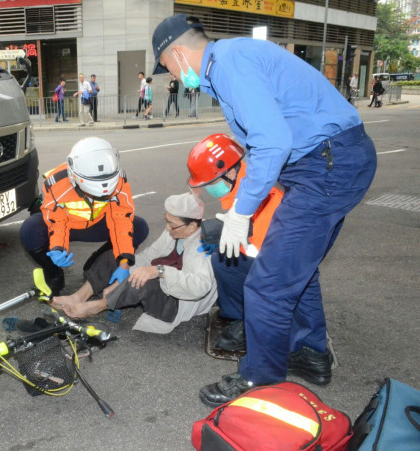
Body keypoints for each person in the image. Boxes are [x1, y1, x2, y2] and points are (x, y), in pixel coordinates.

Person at [151, 14, 377, 407]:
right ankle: (310, 353)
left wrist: (241, 212)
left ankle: (260, 378)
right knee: (295, 270)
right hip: (330, 163)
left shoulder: (230, 64)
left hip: (326, 166)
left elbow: (272, 142)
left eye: (166, 65)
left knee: (267, 284)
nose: (169, 73)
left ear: (178, 54)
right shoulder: (230, 64)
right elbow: (260, 147)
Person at [54, 192, 217, 334]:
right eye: (166, 220)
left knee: (147, 279)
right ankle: (79, 296)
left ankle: (99, 306)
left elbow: (201, 286)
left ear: (192, 226)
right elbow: (150, 255)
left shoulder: (205, 245)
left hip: (176, 303)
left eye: (172, 224)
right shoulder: (176, 231)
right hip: (162, 280)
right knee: (116, 257)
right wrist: (123, 276)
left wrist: (160, 271)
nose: (167, 228)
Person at [187, 134, 283, 352]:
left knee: (224, 260)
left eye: (212, 182)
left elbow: (262, 257)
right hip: (271, 266)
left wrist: (224, 239)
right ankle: (241, 314)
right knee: (221, 258)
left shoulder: (260, 199)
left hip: (277, 274)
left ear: (230, 171)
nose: (210, 189)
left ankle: (251, 326)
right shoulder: (244, 191)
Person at [20, 137, 149, 296]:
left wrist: (124, 261)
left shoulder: (119, 181)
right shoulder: (57, 184)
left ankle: (97, 264)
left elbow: (121, 221)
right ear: (75, 180)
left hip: (98, 224)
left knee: (139, 227)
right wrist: (57, 248)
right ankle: (54, 273)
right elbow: (57, 221)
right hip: (69, 225)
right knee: (30, 229)